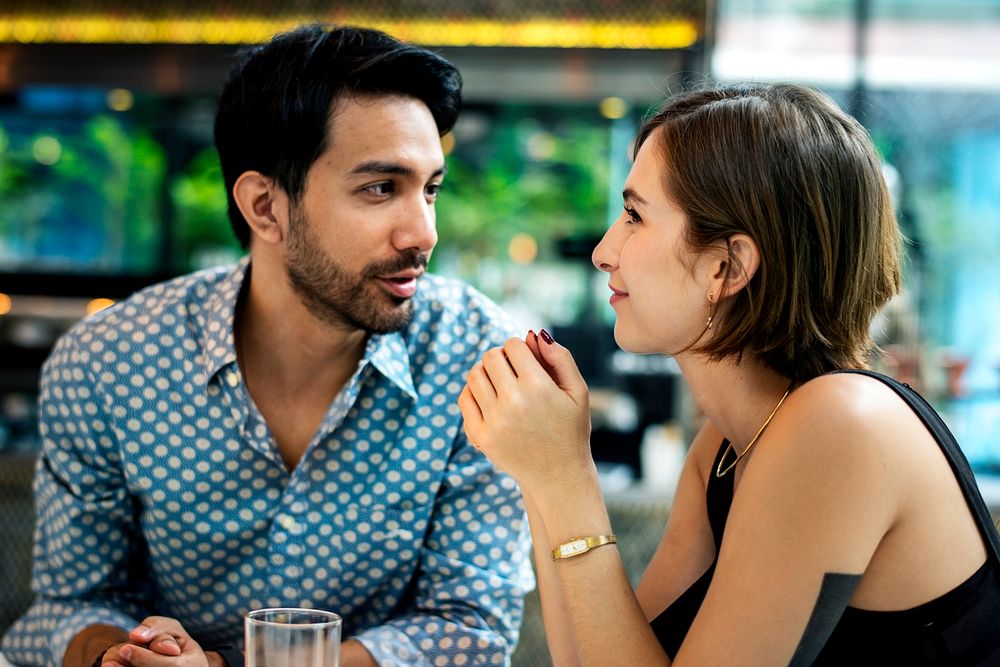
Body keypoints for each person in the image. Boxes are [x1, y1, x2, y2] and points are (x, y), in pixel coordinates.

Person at [1, 24, 534, 667]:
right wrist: (128, 656)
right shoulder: (106, 363)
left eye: (430, 188)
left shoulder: (479, 358)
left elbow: (472, 628)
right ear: (264, 206)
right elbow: (70, 608)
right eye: (379, 188)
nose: (423, 231)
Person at [460, 83, 1000, 665]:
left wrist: (565, 478)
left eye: (635, 216)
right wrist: (542, 475)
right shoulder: (724, 446)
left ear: (729, 265)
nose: (603, 250)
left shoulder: (840, 426)